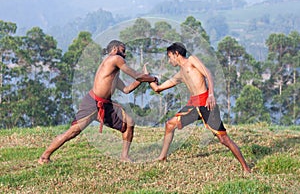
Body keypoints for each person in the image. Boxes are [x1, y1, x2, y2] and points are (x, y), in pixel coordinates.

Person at [38, 40, 157, 164]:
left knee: (129, 123)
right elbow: (136, 75)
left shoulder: (113, 74)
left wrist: (143, 78)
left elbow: (127, 89)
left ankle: (124, 157)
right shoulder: (114, 58)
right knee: (73, 131)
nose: (125, 55)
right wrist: (152, 78)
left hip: (106, 104)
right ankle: (44, 156)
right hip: (92, 103)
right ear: (115, 49)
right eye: (123, 50)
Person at [146, 42, 251, 173]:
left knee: (223, 139)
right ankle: (162, 157)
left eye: (169, 56)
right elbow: (158, 88)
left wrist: (211, 94)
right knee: (169, 125)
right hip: (193, 105)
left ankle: (246, 168)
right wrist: (148, 78)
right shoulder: (180, 74)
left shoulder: (192, 60)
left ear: (176, 54)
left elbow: (209, 75)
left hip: (206, 103)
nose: (169, 60)